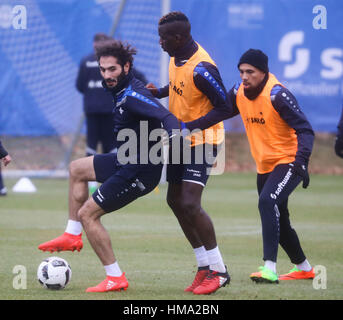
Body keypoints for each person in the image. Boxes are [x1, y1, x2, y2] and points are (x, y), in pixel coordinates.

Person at [38, 39, 180, 292]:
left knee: (88, 214)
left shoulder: (134, 95)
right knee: (76, 169)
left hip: (139, 171)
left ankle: (115, 277)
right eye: (102, 70)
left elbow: (166, 117)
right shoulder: (120, 89)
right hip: (125, 159)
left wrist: (174, 135)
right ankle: (72, 235)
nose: (106, 75)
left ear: (126, 67)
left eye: (112, 69)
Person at [147, 11, 231, 295]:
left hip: (204, 140)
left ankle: (219, 271)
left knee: (190, 203)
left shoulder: (203, 68)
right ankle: (204, 266)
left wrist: (191, 126)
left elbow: (226, 107)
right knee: (174, 200)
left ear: (179, 38)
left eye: (164, 38)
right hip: (181, 140)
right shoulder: (176, 56)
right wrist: (158, 92)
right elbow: (178, 86)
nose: (159, 42)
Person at [226, 49, 315, 283]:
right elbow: (219, 110)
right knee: (280, 221)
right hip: (264, 166)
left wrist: (301, 163)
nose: (244, 76)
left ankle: (269, 268)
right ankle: (305, 269)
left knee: (267, 202)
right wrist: (186, 123)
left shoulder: (277, 95)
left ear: (263, 72)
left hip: (288, 162)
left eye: (250, 72)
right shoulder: (239, 92)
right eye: (241, 71)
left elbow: (305, 130)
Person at [76, 33, 148, 192]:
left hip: (93, 109)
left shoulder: (86, 60)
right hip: (110, 109)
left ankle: (91, 181)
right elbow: (139, 78)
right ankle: (110, 181)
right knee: (112, 146)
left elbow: (80, 86)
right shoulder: (113, 62)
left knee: (92, 144)